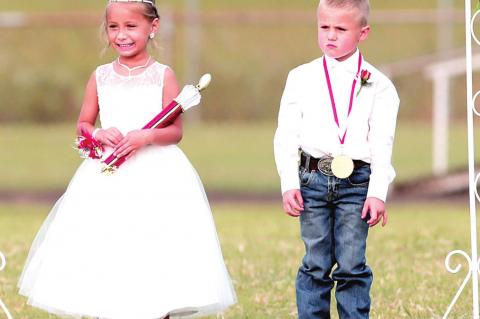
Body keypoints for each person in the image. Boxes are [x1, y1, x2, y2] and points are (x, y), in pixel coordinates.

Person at [17, 1, 236, 318]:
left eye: (131, 26)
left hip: (156, 174)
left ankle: (157, 307)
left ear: (153, 27)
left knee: (153, 246)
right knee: (108, 247)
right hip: (109, 174)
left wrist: (146, 136)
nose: (121, 35)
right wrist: (98, 134)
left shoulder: (163, 75)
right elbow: (83, 125)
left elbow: (175, 131)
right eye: (113, 27)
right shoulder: (100, 76)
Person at [274, 0, 400, 318]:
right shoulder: (300, 77)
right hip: (312, 180)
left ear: (363, 32)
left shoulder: (379, 85)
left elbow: (382, 143)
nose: (330, 36)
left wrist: (377, 193)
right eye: (324, 27)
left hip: (357, 183)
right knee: (316, 263)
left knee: (351, 263)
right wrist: (289, 183)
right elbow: (286, 134)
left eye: (341, 29)